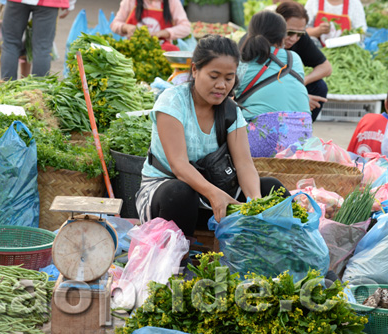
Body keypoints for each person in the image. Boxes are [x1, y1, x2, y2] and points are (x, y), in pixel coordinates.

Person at [135, 35, 289, 238]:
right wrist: (212, 193)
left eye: (228, 78)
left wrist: (257, 203)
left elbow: (244, 165)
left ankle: (279, 257)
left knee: (272, 189)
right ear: (195, 70)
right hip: (168, 198)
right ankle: (179, 264)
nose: (221, 86)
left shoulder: (231, 112)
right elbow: (178, 165)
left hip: (217, 197)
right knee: (180, 192)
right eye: (214, 76)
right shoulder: (172, 102)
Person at [235, 10, 311, 158]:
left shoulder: (242, 61)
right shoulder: (294, 58)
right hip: (302, 141)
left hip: (262, 140)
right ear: (283, 38)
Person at [276, 1, 332, 122]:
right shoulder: (263, 41)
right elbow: (266, 83)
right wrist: (299, 96)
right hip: (263, 93)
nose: (294, 38)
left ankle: (302, 133)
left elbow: (326, 67)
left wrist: (301, 83)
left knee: (319, 86)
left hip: (286, 88)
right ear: (277, 25)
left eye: (300, 34)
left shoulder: (299, 38)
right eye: (289, 33)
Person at [0, 0, 74, 81]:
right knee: (42, 48)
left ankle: (7, 87)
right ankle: (38, 90)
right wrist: (70, 3)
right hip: (48, 3)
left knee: (10, 43)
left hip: (17, 2)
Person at [110, 0, 190, 51]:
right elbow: (114, 24)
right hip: (134, 48)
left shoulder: (172, 2)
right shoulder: (130, 2)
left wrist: (164, 33)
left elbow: (186, 27)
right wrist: (126, 27)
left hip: (162, 49)